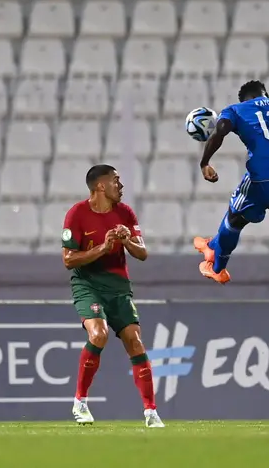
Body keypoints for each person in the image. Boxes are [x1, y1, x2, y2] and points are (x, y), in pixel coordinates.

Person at [60, 164, 164, 428]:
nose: (121, 185)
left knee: (135, 341)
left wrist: (126, 241)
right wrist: (104, 248)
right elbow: (69, 260)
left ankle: (151, 412)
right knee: (98, 334)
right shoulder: (77, 215)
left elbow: (142, 254)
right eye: (116, 181)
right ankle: (80, 401)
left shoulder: (125, 213)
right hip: (88, 284)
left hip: (118, 286)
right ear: (101, 186)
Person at [194, 80, 269, 283]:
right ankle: (213, 245)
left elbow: (221, 127)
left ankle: (217, 267)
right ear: (265, 94)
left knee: (233, 216)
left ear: (244, 99)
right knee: (241, 214)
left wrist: (204, 162)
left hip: (265, 179)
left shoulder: (237, 109)